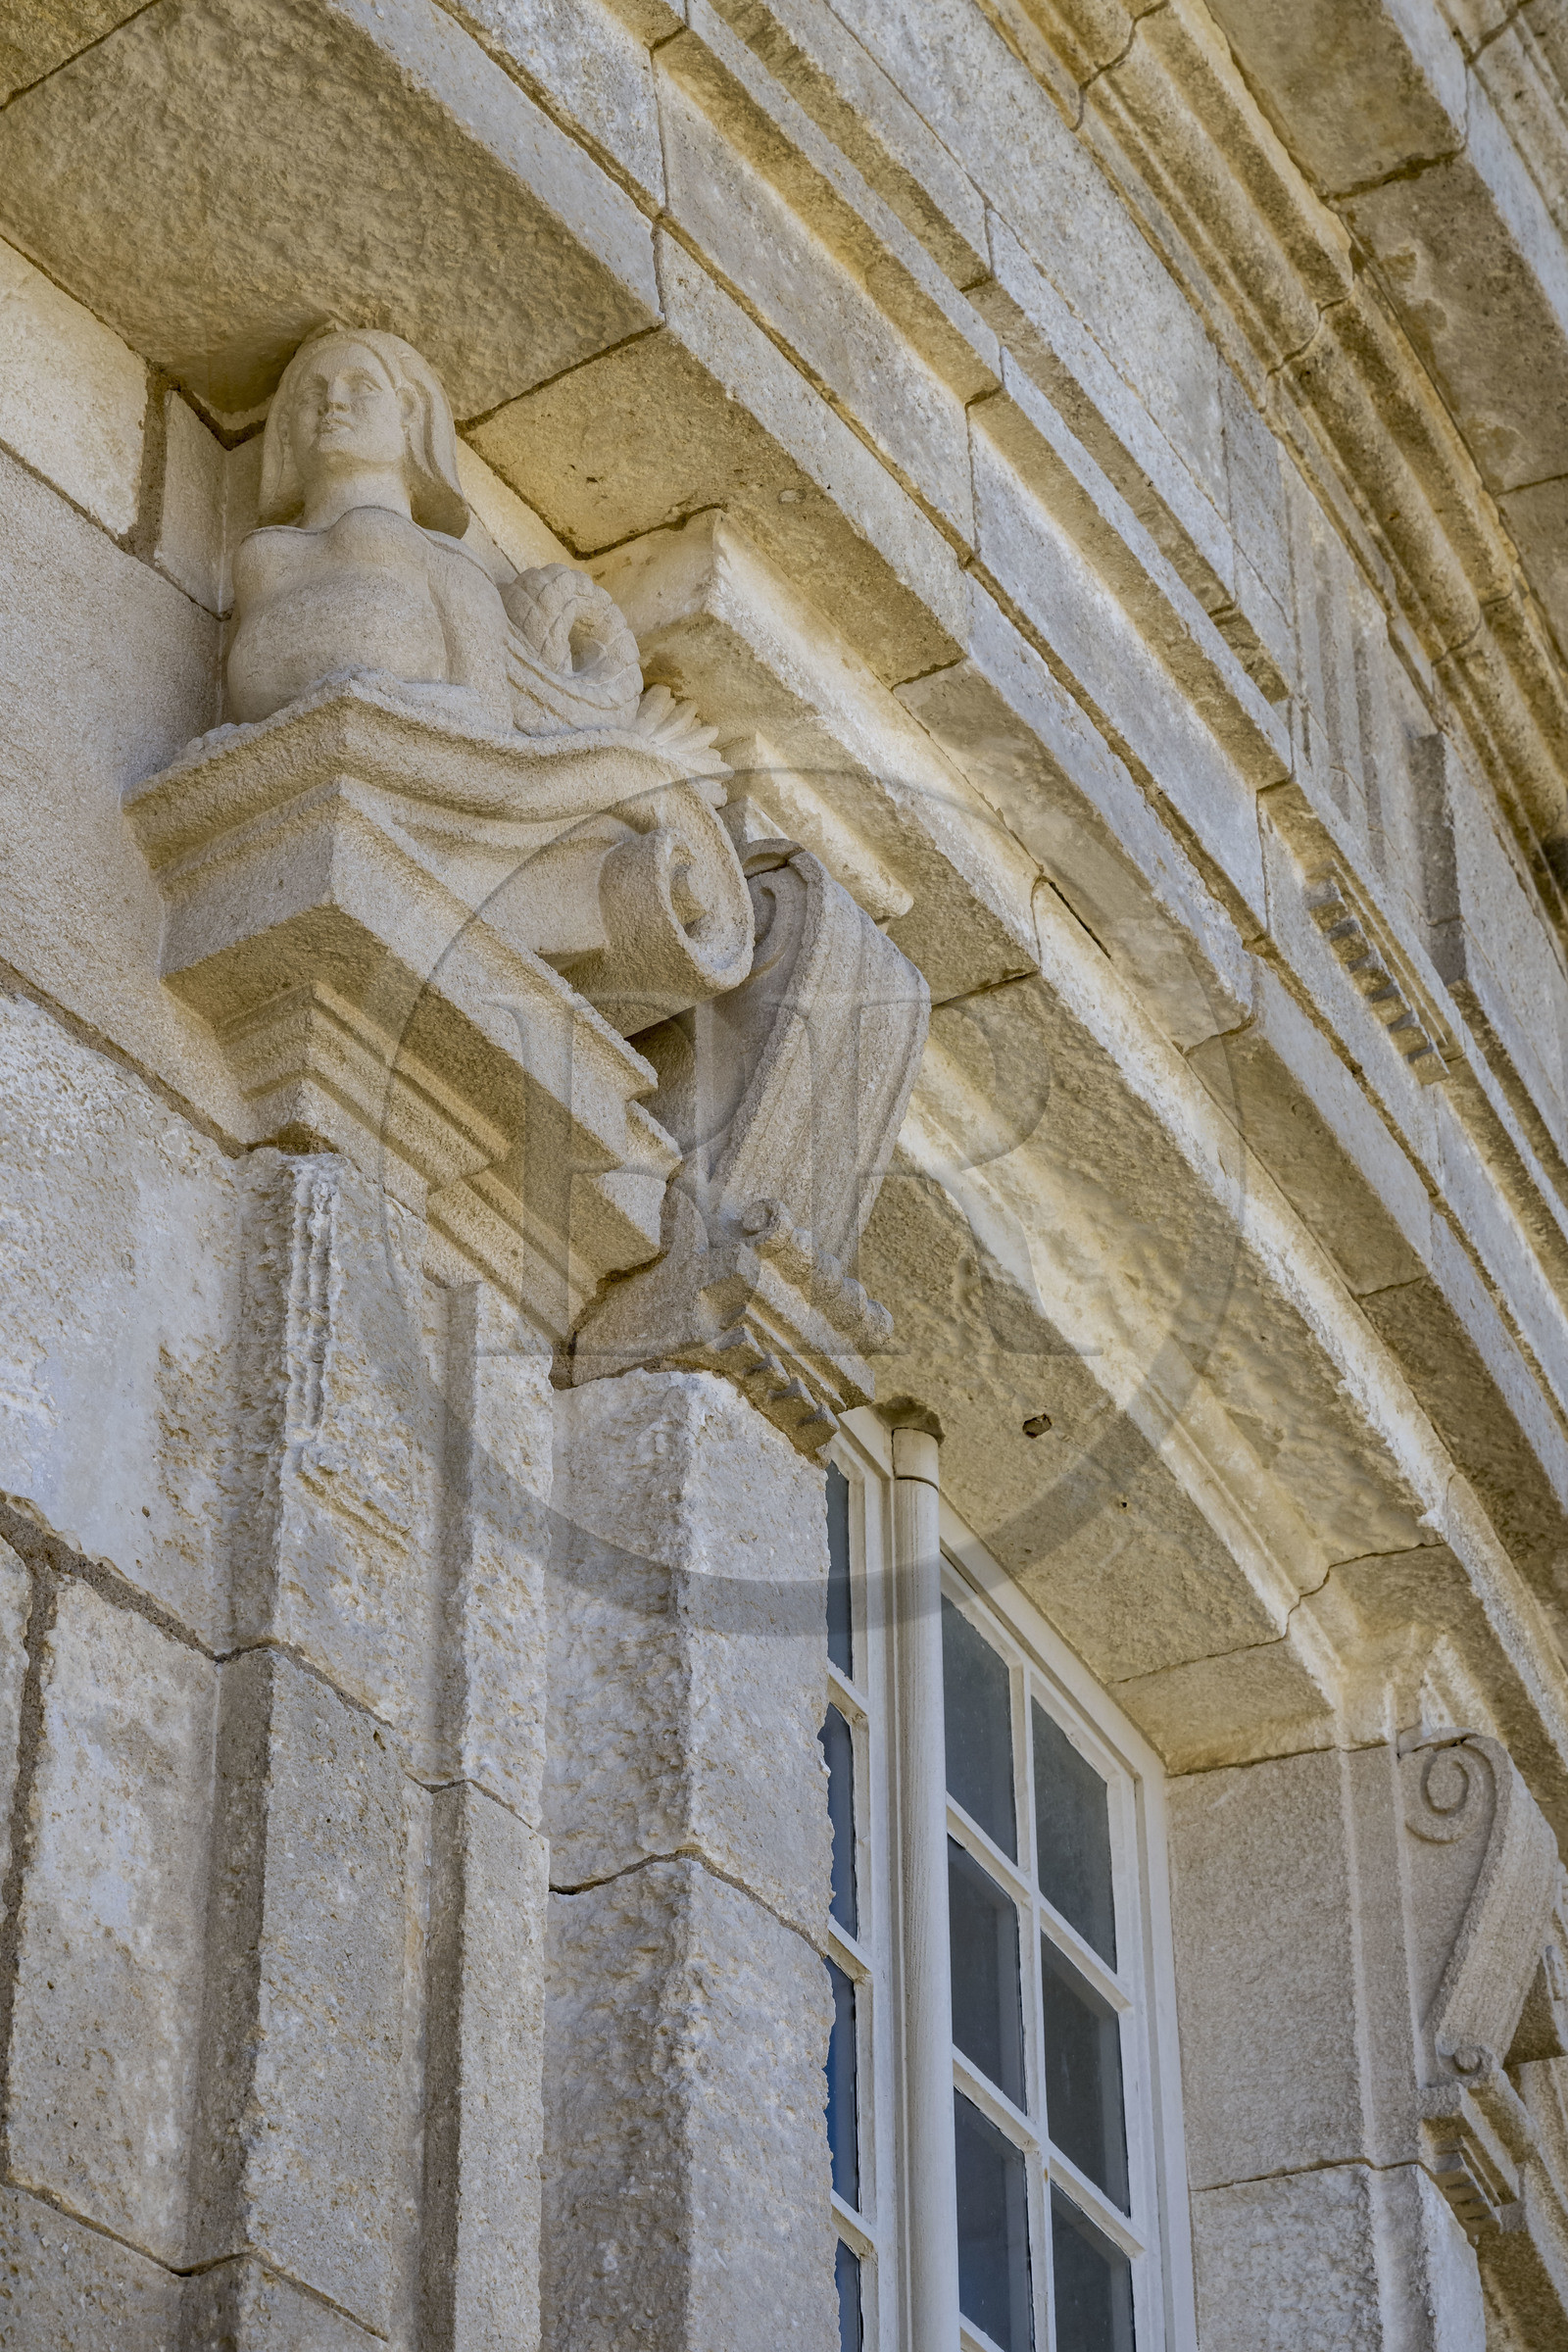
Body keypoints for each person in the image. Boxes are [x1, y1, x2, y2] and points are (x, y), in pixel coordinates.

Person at [225, 326, 514, 730]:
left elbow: (489, 719)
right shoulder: (262, 558)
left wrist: (391, 701)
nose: (332, 403)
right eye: (312, 394)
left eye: (360, 385)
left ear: (408, 411)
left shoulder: (443, 558)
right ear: (287, 428)